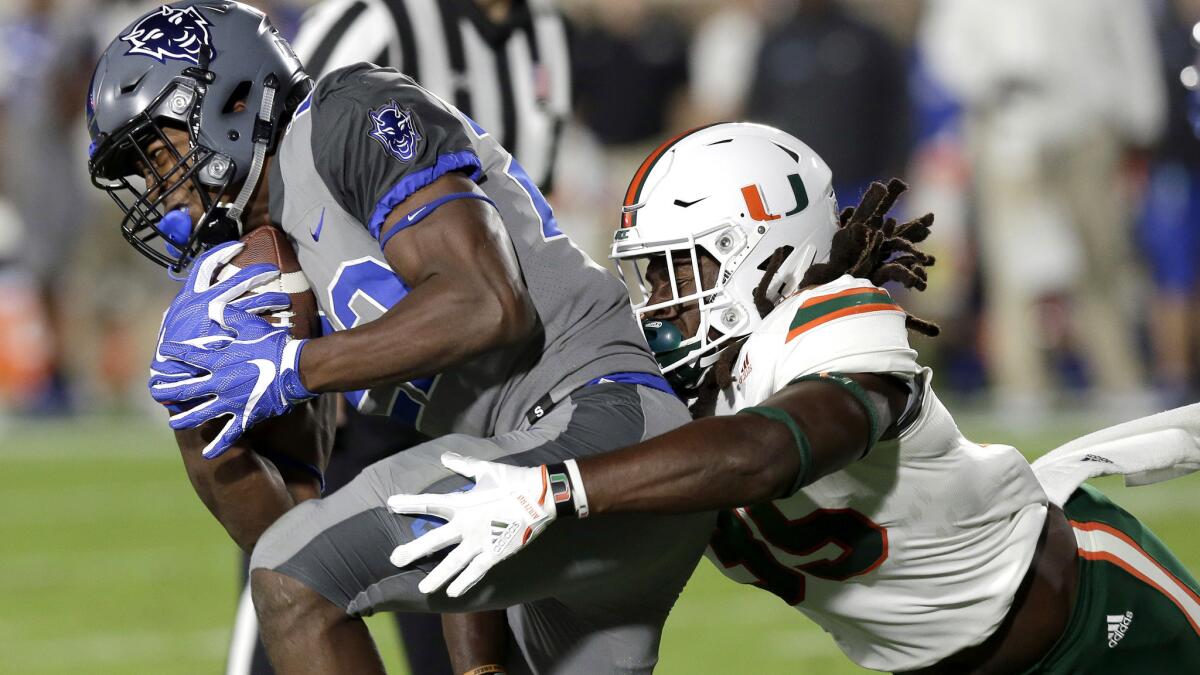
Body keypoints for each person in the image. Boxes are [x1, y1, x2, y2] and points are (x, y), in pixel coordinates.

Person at [386, 122, 1200, 673]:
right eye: (650, 275)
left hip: (1094, 617)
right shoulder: (656, 384)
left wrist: (560, 489)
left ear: (766, 256)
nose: (660, 303)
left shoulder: (837, 322)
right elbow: (484, 521)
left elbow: (767, 452)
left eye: (685, 270)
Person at [85, 2, 710, 673]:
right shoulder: (276, 267)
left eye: (157, 150)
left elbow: (487, 303)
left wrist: (294, 367)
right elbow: (304, 516)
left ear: (231, 99)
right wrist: (204, 425)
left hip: (606, 424)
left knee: (290, 581)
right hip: (527, 481)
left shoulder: (346, 115)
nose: (157, 185)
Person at [226, 2, 572, 673]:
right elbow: (271, 174)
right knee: (294, 601)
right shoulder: (370, 19)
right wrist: (307, 348)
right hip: (361, 384)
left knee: (486, 646)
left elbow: (531, 195)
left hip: (489, 389)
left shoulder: (546, 29)